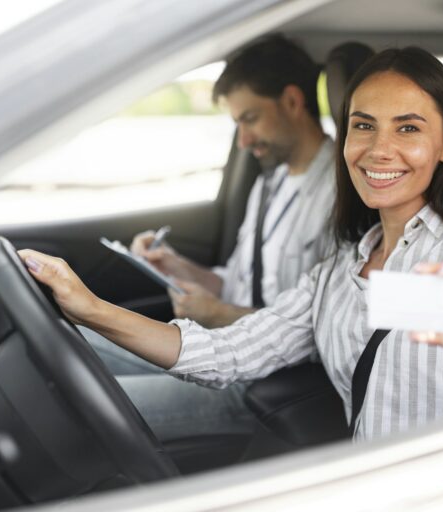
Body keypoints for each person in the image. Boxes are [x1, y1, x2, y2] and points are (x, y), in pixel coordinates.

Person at [19, 47, 443, 442]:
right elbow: (226, 353)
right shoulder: (338, 271)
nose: (379, 150)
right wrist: (86, 308)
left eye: (407, 129)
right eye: (362, 125)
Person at [81, 34, 336, 441]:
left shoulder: (340, 196)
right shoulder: (271, 182)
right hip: (216, 348)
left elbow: (319, 332)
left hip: (261, 381)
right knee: (74, 343)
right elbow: (237, 280)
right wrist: (175, 266)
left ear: (292, 101)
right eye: (238, 124)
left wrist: (217, 315)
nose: (244, 140)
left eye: (250, 119)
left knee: (81, 410)